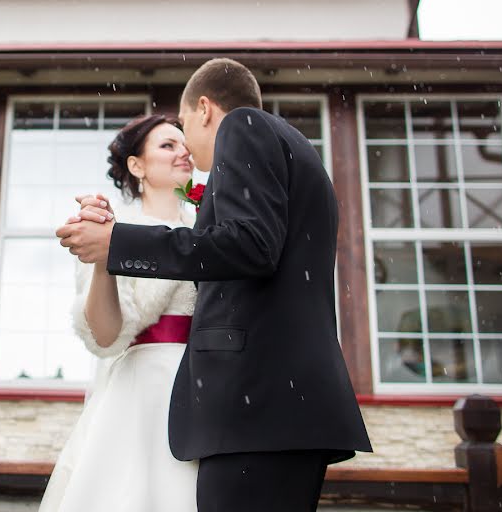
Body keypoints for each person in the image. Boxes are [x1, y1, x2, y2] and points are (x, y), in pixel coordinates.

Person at [57, 58, 373, 512]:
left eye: (183, 126)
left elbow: (249, 246)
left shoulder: (245, 127)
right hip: (265, 403)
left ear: (204, 109)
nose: (186, 145)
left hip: (256, 406)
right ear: (136, 165)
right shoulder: (297, 148)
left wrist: (117, 242)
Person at [39, 114, 200, 512]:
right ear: (136, 165)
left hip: (206, 388)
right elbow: (106, 337)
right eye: (167, 145)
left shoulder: (208, 229)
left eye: (185, 144)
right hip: (142, 391)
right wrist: (104, 258)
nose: (184, 152)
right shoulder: (111, 229)